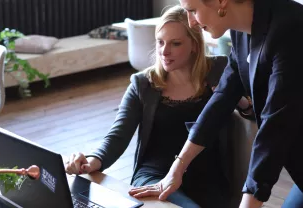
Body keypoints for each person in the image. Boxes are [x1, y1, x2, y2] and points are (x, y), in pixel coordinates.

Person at [130, 0, 303, 207]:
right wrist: (176, 169)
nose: (191, 22)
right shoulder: (242, 31)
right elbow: (222, 97)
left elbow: (276, 128)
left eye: (193, 11)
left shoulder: (293, 29)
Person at [64, 5, 249, 207]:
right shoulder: (143, 84)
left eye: (175, 43)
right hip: (154, 177)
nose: (164, 51)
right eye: (160, 42)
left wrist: (239, 102)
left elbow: (256, 115)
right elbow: (118, 135)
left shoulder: (220, 69)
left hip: (209, 180)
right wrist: (92, 160)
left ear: (194, 44)